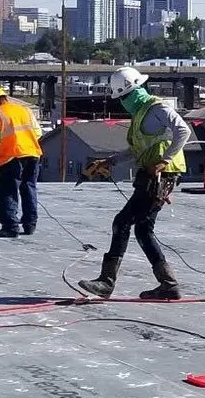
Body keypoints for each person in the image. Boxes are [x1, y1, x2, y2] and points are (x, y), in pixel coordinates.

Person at [78, 66, 191, 300]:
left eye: (124, 97)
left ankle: (107, 282)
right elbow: (138, 148)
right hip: (151, 176)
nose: (123, 103)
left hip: (161, 175)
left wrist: (164, 161)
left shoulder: (157, 108)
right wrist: (112, 160)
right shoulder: (140, 113)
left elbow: (183, 130)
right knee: (142, 229)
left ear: (135, 91)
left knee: (123, 223)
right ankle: (168, 284)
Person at [0, 84, 43, 237]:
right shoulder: (25, 110)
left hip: (11, 157)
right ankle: (30, 224)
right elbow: (38, 132)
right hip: (32, 154)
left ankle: (10, 227)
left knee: (8, 191)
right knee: (29, 188)